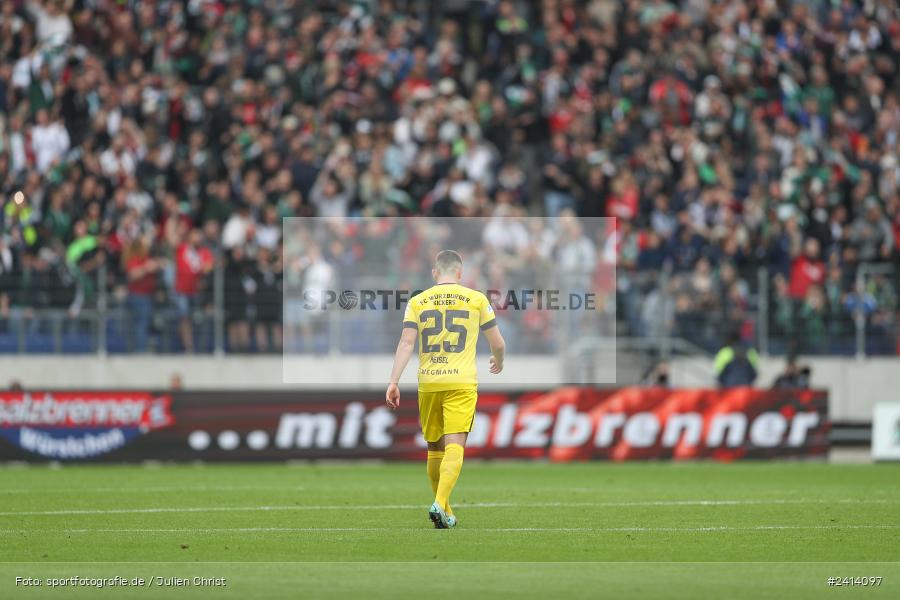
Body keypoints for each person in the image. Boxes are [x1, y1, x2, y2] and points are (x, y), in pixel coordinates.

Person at [385, 250, 505, 529]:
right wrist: (498, 361)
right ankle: (440, 503)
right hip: (461, 382)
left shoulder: (417, 300)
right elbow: (497, 343)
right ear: (460, 273)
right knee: (455, 444)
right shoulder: (477, 299)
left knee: (434, 447)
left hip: (429, 381)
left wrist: (393, 381)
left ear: (434, 273)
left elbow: (406, 343)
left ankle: (445, 511)